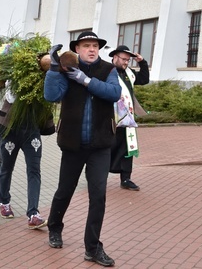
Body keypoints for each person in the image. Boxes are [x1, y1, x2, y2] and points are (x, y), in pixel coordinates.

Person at [44, 31, 121, 267]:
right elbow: (51, 95)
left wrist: (86, 81)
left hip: (100, 145)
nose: (91, 49)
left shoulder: (109, 70)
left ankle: (92, 247)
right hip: (73, 144)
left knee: (98, 196)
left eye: (95, 46)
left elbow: (114, 93)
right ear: (76, 49)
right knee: (64, 191)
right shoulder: (66, 70)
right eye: (86, 45)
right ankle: (54, 228)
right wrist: (54, 68)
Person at [0, 82, 47, 230]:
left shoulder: (39, 75)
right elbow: (10, 98)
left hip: (32, 129)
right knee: (7, 167)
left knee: (34, 170)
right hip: (11, 128)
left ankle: (33, 213)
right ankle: (4, 202)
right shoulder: (12, 72)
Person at [109, 45, 149, 191]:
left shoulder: (128, 73)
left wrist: (142, 63)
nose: (126, 62)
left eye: (128, 60)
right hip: (110, 118)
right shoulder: (106, 71)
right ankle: (94, 176)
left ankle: (126, 179)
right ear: (115, 57)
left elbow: (144, 79)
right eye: (123, 59)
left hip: (128, 119)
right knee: (106, 148)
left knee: (127, 149)